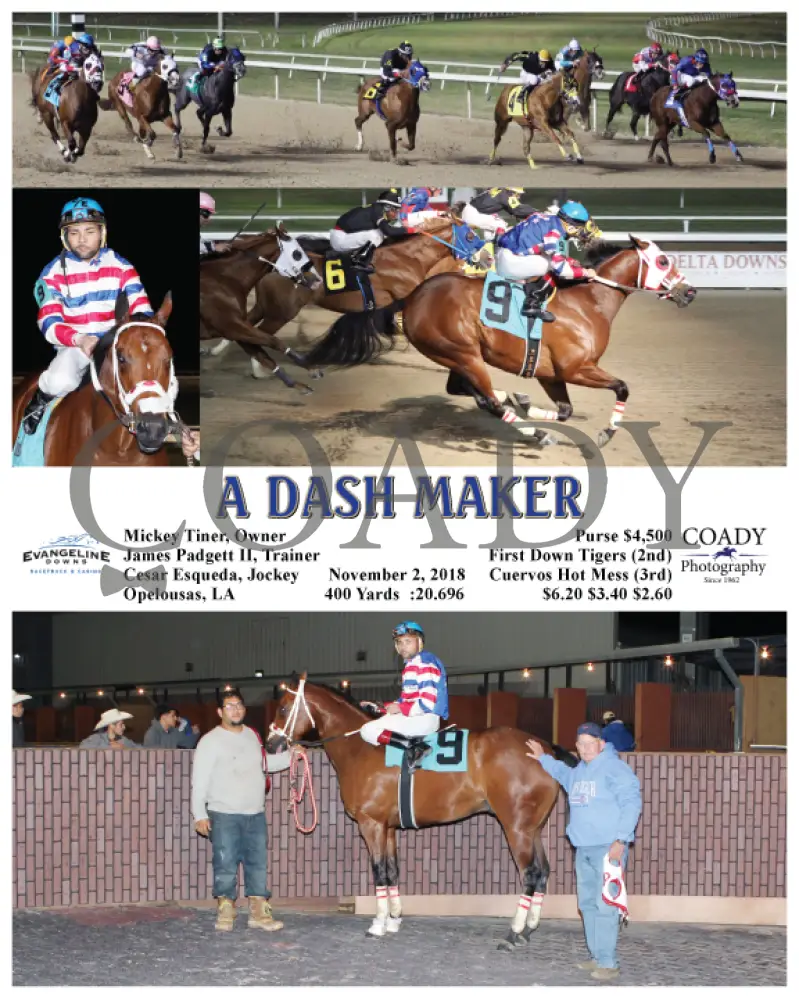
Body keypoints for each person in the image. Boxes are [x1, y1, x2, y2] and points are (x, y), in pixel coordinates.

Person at [23, 197, 153, 436]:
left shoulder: (123, 266)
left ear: (102, 232)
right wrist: (80, 339)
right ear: (65, 236)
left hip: (115, 344)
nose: (81, 239)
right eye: (74, 233)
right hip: (75, 345)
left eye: (89, 231)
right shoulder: (51, 273)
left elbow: (142, 308)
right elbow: (48, 322)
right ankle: (39, 400)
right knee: (61, 380)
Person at [526, 722, 642, 981]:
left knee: (605, 904)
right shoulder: (579, 771)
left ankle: (608, 962)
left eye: (591, 744)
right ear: (576, 747)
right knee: (587, 904)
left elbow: (632, 803)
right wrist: (543, 758)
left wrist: (621, 840)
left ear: (601, 744)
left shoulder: (615, 768)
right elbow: (562, 773)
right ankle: (597, 956)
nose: (586, 749)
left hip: (608, 848)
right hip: (584, 848)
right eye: (581, 744)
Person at [192, 689, 289, 933]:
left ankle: (259, 912)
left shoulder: (252, 736)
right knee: (225, 863)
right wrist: (199, 814)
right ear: (220, 712)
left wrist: (292, 756)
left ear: (244, 709)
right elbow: (199, 781)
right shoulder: (209, 741)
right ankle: (226, 909)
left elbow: (264, 763)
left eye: (238, 705)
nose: (235, 710)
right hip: (223, 813)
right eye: (229, 706)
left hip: (255, 812)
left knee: (258, 864)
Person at [358, 621, 449, 770]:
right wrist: (381, 706)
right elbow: (406, 700)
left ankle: (414, 747)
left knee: (367, 730)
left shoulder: (425, 663)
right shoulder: (411, 665)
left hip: (424, 718)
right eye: (399, 642)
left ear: (419, 642)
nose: (403, 646)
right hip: (415, 717)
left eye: (408, 641)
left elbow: (428, 703)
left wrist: (400, 708)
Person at [494, 200, 601, 320]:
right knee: (554, 267)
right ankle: (532, 303)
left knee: (556, 262)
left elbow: (545, 247)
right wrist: (585, 273)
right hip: (508, 262)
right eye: (581, 226)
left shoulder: (549, 219)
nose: (583, 232)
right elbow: (561, 270)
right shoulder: (556, 235)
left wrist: (568, 260)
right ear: (570, 225)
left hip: (504, 252)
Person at [328, 189, 404, 272]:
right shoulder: (377, 211)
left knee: (379, 233)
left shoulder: (376, 209)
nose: (396, 214)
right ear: (387, 207)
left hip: (344, 235)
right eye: (395, 210)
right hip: (340, 239)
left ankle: (360, 255)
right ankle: (360, 261)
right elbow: (389, 231)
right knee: (376, 235)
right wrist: (411, 229)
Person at [461, 187, 535, 239]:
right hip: (474, 215)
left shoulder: (501, 191)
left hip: (470, 212)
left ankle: (488, 248)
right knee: (502, 225)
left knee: (492, 229)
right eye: (518, 194)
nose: (519, 197)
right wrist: (535, 212)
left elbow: (510, 209)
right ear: (512, 192)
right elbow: (518, 209)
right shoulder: (507, 195)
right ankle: (499, 248)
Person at [668, 48, 712, 124]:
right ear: (696, 60)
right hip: (679, 75)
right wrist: (675, 84)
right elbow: (675, 70)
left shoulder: (706, 65)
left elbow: (710, 77)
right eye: (701, 63)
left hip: (692, 76)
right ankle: (679, 93)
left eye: (704, 63)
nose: (703, 65)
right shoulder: (687, 60)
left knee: (704, 79)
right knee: (691, 80)